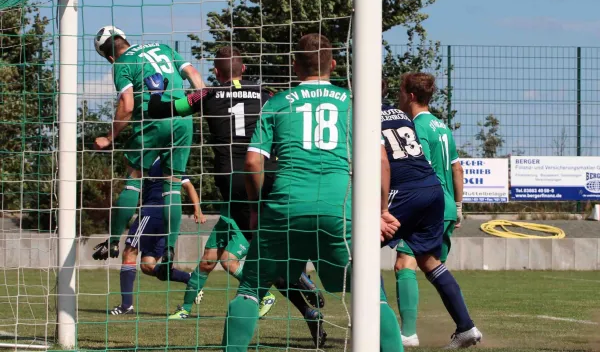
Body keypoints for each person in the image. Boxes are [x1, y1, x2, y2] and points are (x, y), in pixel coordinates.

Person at [220, 34, 402, 352]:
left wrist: (256, 208)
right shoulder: (353, 103)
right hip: (338, 209)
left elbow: (252, 162)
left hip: (284, 208)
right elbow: (381, 160)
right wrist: (380, 210)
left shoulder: (276, 103)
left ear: (294, 65)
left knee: (250, 288)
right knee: (370, 292)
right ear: (333, 64)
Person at [147, 46, 324, 326]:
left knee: (262, 250)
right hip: (273, 174)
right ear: (243, 70)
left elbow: (161, 109)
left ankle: (296, 282)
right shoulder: (265, 95)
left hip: (235, 181)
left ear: (216, 73)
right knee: (276, 238)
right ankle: (303, 291)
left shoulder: (207, 94)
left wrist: (156, 91)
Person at [92, 26, 206, 280]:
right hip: (183, 118)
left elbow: (127, 105)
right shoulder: (164, 48)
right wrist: (199, 102)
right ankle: (170, 248)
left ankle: (112, 240)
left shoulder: (122, 64)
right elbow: (194, 74)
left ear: (110, 56)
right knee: (173, 184)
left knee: (134, 177)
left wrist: (109, 137)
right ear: (125, 38)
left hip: (153, 120)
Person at [381, 73, 481, 349]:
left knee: (382, 256)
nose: (399, 97)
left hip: (413, 194)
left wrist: (383, 204)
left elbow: (406, 162)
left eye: (401, 92)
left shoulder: (418, 124)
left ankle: (401, 332)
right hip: (441, 199)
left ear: (410, 95)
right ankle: (466, 326)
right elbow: (457, 168)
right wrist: (459, 206)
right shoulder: (441, 126)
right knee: (428, 262)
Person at [105, 158, 206, 315]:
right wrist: (197, 209)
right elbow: (188, 185)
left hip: (152, 213)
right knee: (147, 265)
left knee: (129, 253)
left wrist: (197, 209)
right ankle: (190, 279)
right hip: (168, 218)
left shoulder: (157, 160)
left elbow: (187, 185)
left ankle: (126, 306)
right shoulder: (170, 160)